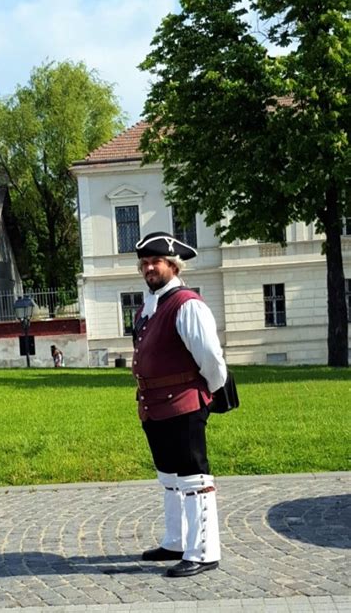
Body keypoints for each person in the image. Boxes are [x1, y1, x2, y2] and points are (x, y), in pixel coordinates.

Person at [132, 231, 227, 578]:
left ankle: (203, 552)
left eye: (155, 262)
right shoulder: (148, 306)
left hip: (184, 404)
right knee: (169, 478)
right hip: (153, 405)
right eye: (144, 263)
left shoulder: (186, 304)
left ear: (173, 265)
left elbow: (211, 360)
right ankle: (175, 541)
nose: (148, 268)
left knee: (194, 478)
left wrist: (207, 394)